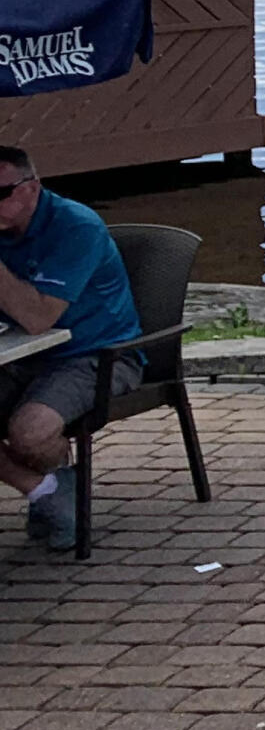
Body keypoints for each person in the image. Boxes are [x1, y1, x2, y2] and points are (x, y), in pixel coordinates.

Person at [0, 146, 142, 552]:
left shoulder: (76, 227)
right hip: (20, 354)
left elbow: (38, 317)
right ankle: (46, 489)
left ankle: (56, 486)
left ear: (31, 188)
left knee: (29, 433)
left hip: (96, 354)